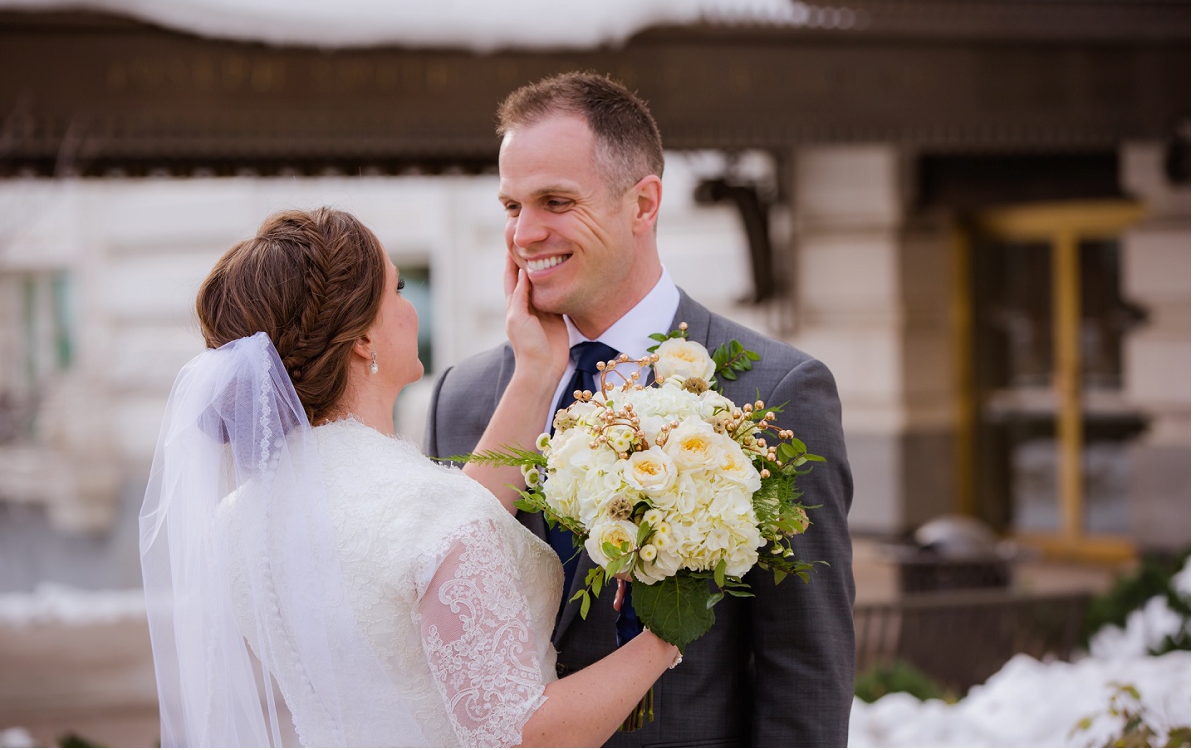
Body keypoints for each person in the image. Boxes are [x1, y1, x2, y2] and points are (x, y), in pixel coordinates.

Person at [139, 206, 681, 748]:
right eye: (399, 290)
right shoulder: (429, 513)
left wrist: (536, 371)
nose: (410, 309)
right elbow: (524, 736)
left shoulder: (237, 520)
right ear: (363, 342)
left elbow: (424, 539)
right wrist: (666, 635)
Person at [425, 72, 856, 747]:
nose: (525, 234)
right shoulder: (463, 399)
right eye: (512, 207)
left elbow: (806, 668)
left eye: (556, 201)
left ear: (644, 202)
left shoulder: (774, 392)